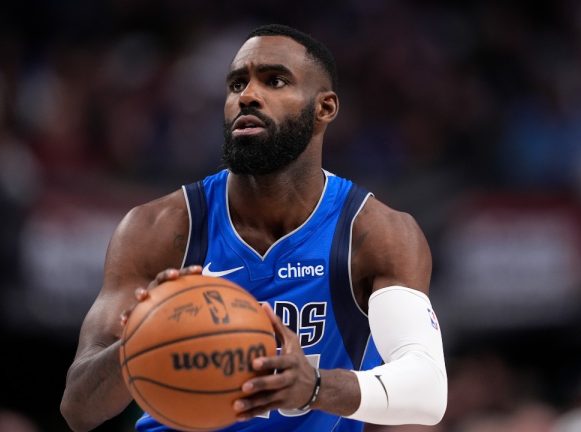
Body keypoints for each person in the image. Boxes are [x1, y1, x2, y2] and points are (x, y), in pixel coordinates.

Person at [60, 24, 447, 431]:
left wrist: (314, 387)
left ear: (325, 107)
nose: (246, 96)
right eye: (236, 84)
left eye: (274, 81)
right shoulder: (159, 227)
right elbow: (78, 408)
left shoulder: (374, 233)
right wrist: (141, 339)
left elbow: (427, 391)